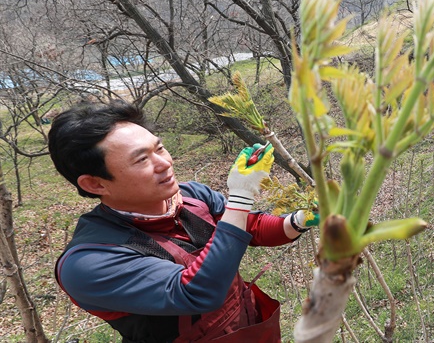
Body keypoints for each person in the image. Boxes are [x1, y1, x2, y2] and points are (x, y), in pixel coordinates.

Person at [48, 100, 318, 343]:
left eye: (160, 148)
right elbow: (195, 293)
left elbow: (249, 226)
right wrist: (241, 196)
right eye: (142, 159)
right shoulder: (89, 262)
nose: (165, 163)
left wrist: (299, 219)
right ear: (95, 183)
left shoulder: (190, 196)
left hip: (251, 329)